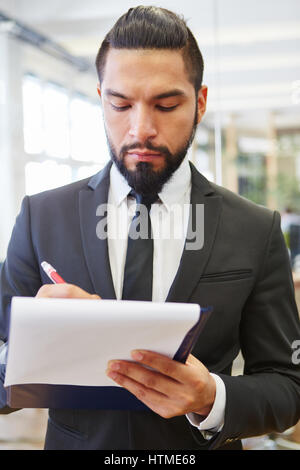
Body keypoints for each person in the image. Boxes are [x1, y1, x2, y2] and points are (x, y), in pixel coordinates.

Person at [0, 5, 300, 451]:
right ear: (101, 98)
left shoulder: (254, 229)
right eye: (120, 104)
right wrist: (36, 342)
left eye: (166, 104)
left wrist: (211, 398)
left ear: (199, 102)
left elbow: (288, 387)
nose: (141, 129)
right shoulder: (42, 217)